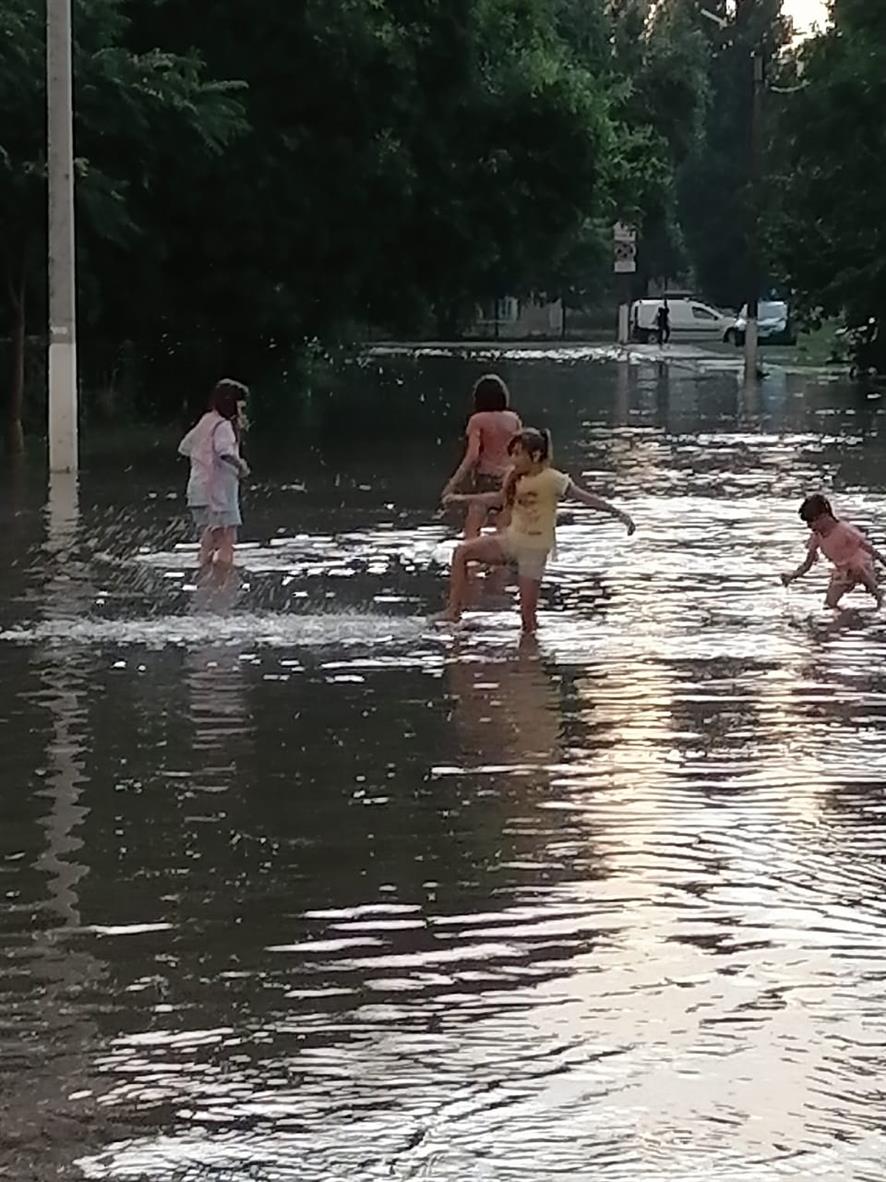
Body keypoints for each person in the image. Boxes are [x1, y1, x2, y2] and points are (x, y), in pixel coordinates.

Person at [437, 427, 635, 633]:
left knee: (527, 618)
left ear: (536, 455)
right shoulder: (514, 477)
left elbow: (586, 498)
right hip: (511, 540)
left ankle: (531, 657)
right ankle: (454, 611)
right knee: (461, 552)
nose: (513, 459)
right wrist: (461, 499)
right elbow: (499, 499)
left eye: (517, 454)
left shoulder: (554, 479)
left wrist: (618, 513)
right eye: (512, 453)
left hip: (534, 549)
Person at [178, 379, 250, 578]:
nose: (242, 412)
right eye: (241, 406)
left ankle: (203, 580)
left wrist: (202, 460)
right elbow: (224, 452)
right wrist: (241, 466)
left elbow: (184, 447)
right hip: (218, 495)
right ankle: (223, 585)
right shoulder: (224, 425)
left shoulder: (206, 421)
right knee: (227, 540)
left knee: (208, 539)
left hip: (198, 491)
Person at [441, 374, 522, 538]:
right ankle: (502, 557)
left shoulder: (477, 420)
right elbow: (521, 451)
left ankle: (470, 557)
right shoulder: (513, 419)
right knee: (505, 523)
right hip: (511, 478)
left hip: (487, 477)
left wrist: (452, 484)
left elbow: (472, 456)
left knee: (475, 518)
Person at [781, 494, 885, 609]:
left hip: (861, 565)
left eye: (811, 521)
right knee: (829, 604)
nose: (809, 526)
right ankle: (843, 620)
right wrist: (792, 576)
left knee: (871, 587)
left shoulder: (845, 530)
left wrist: (882, 560)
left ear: (823, 516)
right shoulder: (817, 537)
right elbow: (808, 563)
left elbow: (867, 547)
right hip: (842, 571)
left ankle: (879, 602)